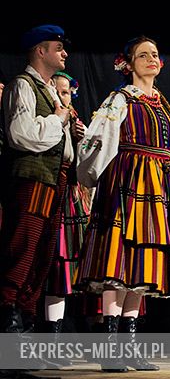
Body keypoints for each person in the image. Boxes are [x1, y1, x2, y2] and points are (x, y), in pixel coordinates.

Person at [75, 36, 170, 372]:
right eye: (143, 55)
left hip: (158, 185)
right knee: (119, 260)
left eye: (155, 54)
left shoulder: (161, 102)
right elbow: (97, 141)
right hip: (128, 182)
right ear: (128, 63)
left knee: (142, 262)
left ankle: (128, 345)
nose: (151, 59)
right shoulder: (120, 99)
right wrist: (91, 179)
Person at [0, 25, 74, 338]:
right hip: (33, 180)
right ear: (40, 50)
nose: (65, 53)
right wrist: (57, 120)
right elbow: (20, 134)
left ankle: (25, 322)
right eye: (58, 47)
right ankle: (8, 321)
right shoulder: (23, 85)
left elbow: (64, 147)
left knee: (42, 257)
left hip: (53, 180)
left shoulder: (48, 91)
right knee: (24, 249)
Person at [41, 72, 89, 363]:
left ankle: (53, 344)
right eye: (57, 92)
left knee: (64, 275)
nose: (63, 97)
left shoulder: (74, 124)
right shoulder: (49, 119)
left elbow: (85, 169)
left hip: (72, 198)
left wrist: (81, 141)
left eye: (67, 93)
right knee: (51, 271)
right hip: (50, 193)